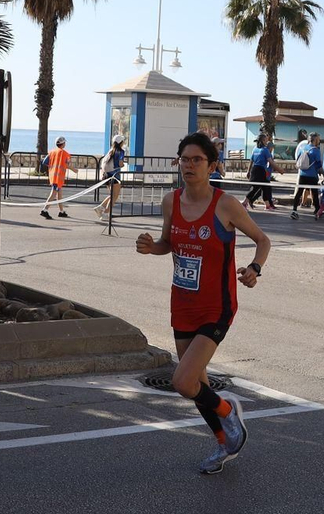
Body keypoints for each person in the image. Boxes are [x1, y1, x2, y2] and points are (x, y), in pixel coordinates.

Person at [135, 132, 269, 475]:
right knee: (198, 384)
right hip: (182, 304)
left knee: (183, 382)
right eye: (185, 159)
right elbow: (168, 242)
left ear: (212, 166)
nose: (189, 165)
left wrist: (254, 268)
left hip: (216, 306)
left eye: (197, 159)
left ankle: (228, 412)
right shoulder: (171, 201)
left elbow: (262, 240)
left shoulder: (225, 205)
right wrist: (152, 247)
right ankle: (225, 442)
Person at [94, 135, 127, 218]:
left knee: (112, 195)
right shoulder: (120, 151)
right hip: (114, 175)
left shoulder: (111, 151)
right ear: (121, 143)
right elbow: (120, 163)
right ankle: (105, 213)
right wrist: (123, 165)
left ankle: (100, 207)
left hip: (106, 175)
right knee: (114, 196)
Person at [291, 130, 321, 219]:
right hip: (312, 176)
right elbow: (319, 165)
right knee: (314, 193)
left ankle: (294, 209)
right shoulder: (316, 150)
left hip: (302, 174)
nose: (319, 141)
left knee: (299, 192)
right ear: (315, 140)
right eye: (318, 139)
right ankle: (317, 210)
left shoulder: (302, 148)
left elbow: (298, 160)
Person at [41, 136, 72, 220]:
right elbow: (67, 164)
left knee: (59, 194)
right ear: (63, 144)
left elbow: (44, 162)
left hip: (53, 176)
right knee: (53, 194)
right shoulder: (65, 153)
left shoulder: (52, 152)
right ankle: (44, 210)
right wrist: (74, 170)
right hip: (58, 177)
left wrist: (52, 166)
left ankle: (61, 211)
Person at [245, 133, 276, 210]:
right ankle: (245, 202)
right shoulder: (265, 150)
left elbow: (251, 161)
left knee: (265, 187)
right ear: (262, 141)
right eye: (265, 140)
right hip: (259, 170)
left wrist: (248, 171)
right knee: (255, 188)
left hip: (257, 170)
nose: (266, 141)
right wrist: (280, 170)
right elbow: (271, 162)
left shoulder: (255, 149)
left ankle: (268, 205)